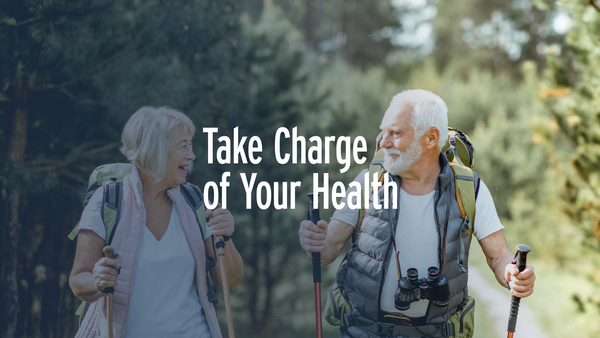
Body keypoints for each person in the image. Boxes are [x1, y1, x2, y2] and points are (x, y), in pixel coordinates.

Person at [298, 89, 536, 338]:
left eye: (396, 133)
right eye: (384, 131)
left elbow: (499, 256)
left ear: (431, 138)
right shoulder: (368, 182)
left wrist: (512, 274)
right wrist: (314, 242)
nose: (383, 142)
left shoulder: (469, 188)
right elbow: (327, 250)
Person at [69, 106, 243, 338]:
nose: (191, 155)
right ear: (155, 150)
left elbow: (229, 281)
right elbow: (79, 279)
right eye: (183, 146)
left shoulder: (195, 201)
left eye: (190, 145)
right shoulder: (108, 201)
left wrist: (226, 238)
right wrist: (97, 281)